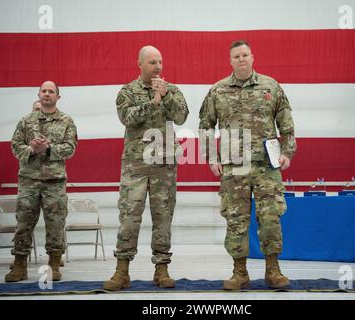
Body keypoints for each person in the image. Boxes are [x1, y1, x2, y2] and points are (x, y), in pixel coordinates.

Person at [199, 40, 297, 290]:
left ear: (252, 58)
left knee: (270, 217)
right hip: (235, 168)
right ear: (230, 61)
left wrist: (288, 152)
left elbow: (286, 123)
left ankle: (273, 271)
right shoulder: (217, 91)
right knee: (236, 219)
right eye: (236, 56)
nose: (241, 59)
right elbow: (206, 126)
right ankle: (239, 272)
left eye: (245, 55)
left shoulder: (271, 86)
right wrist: (211, 157)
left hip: (267, 166)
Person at [103, 45, 189, 291]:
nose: (158, 67)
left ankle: (161, 270)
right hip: (136, 166)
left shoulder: (172, 90)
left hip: (164, 166)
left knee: (163, 218)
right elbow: (127, 118)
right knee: (129, 218)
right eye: (152, 62)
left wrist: (167, 96)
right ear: (139, 64)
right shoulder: (127, 91)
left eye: (160, 62)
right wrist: (154, 102)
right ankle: (122, 271)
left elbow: (182, 116)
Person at [5, 81, 77, 282]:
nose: (47, 94)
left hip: (54, 182)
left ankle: (54, 265)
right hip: (29, 181)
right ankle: (19, 266)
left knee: (55, 224)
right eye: (43, 91)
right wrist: (32, 150)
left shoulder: (66, 121)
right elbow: (15, 146)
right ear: (38, 94)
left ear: (58, 97)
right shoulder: (26, 121)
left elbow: (71, 148)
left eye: (51, 91)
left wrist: (47, 149)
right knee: (23, 224)